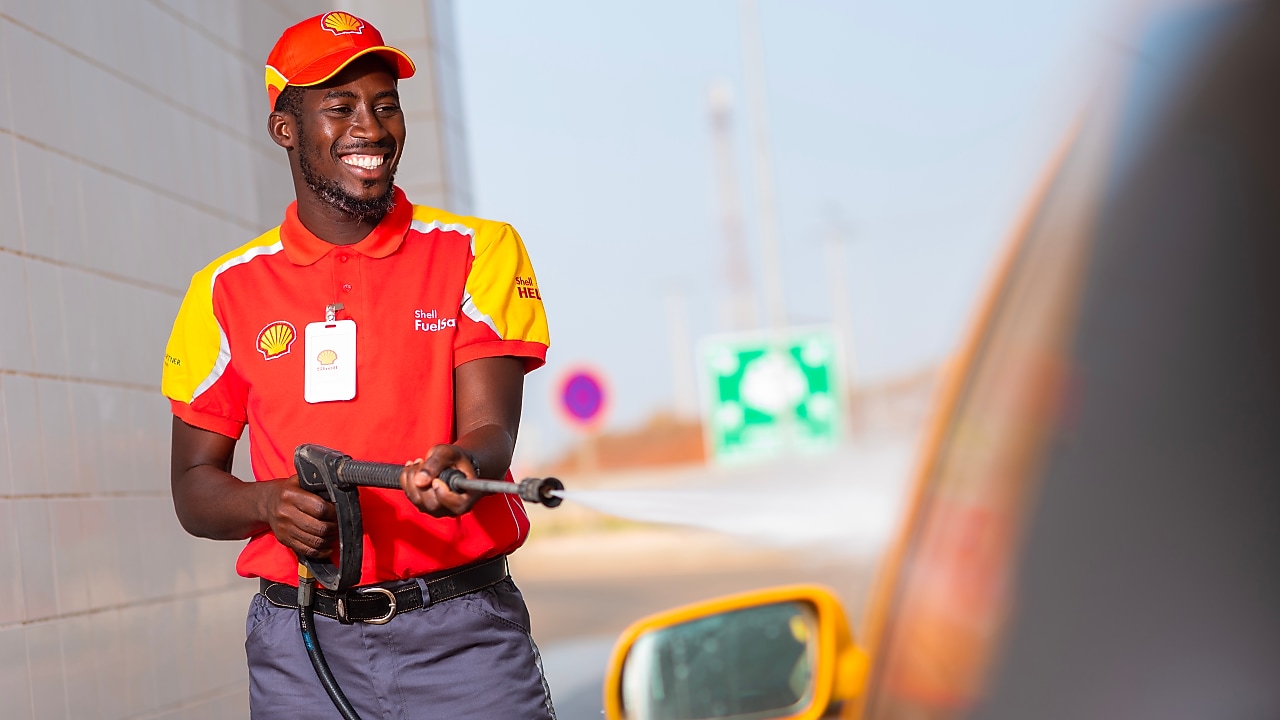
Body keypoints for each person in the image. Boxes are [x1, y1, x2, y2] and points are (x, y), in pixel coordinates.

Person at [160, 11, 555, 719]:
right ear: (286, 128)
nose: (370, 128)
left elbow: (491, 430)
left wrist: (461, 466)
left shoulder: (477, 252)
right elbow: (193, 489)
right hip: (298, 649)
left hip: (463, 641)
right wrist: (265, 504)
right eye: (339, 107)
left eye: (384, 105)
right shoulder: (223, 290)